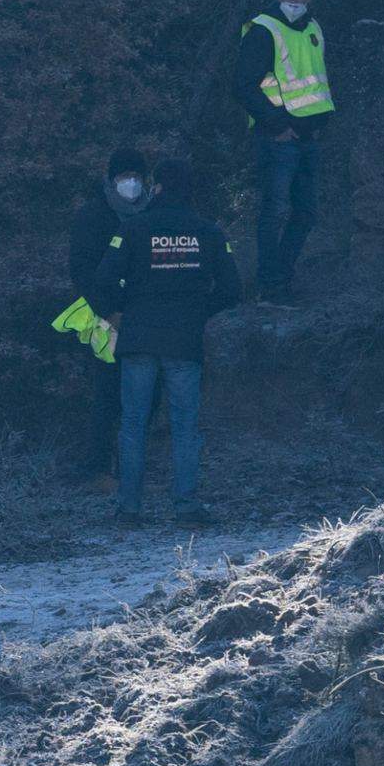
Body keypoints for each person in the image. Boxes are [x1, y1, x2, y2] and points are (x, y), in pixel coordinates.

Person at [113, 154, 240, 522]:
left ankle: (129, 509)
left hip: (138, 338)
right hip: (184, 340)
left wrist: (124, 308)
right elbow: (232, 289)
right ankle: (186, 507)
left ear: (157, 187)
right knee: (185, 427)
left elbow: (105, 279)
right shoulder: (208, 232)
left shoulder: (133, 229)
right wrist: (200, 311)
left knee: (133, 424)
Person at [236, 0, 337, 298]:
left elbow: (315, 81)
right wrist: (277, 126)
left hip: (308, 137)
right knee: (275, 211)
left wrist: (318, 124)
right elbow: (243, 86)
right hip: (277, 138)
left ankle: (280, 278)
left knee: (305, 214)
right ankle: (270, 286)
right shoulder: (263, 30)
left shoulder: (313, 28)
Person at [65, 148, 148, 486]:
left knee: (146, 393)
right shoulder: (93, 216)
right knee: (107, 393)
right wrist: (108, 311)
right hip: (106, 319)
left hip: (144, 316)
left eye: (137, 177)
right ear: (112, 180)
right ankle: (98, 465)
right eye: (125, 177)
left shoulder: (149, 213)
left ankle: (130, 464)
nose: (132, 183)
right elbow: (82, 269)